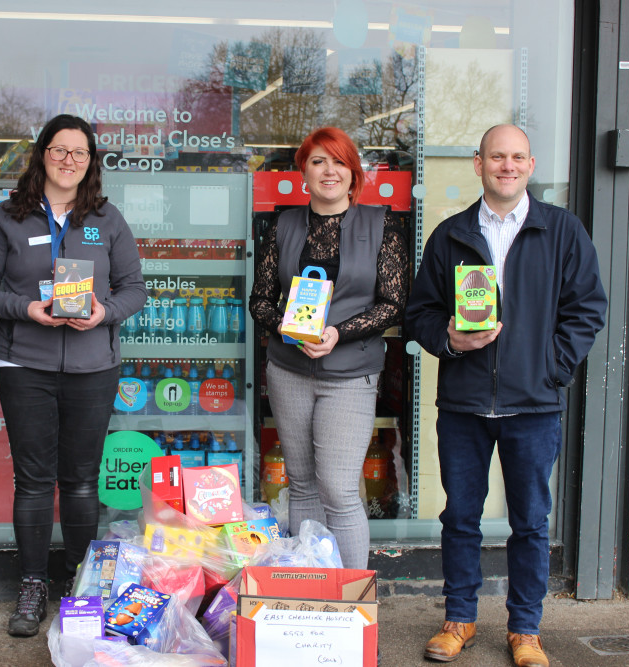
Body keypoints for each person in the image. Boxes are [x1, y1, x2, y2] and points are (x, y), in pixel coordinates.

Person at [405, 124, 607, 667]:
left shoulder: (562, 231)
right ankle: (459, 621)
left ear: (531, 164)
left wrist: (552, 369)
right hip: (465, 404)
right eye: (498, 156)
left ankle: (525, 629)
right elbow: (419, 313)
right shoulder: (449, 235)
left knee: (531, 522)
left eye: (517, 157)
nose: (507, 165)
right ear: (479, 164)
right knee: (460, 519)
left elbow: (587, 309)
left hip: (534, 406)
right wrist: (449, 337)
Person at [0, 114, 146, 638]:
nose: (69, 161)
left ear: (91, 162)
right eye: (60, 150)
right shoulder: (7, 217)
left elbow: (135, 287)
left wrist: (103, 312)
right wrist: (26, 308)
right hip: (25, 365)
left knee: (82, 481)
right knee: (35, 480)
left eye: (80, 153)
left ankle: (81, 584)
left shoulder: (107, 220)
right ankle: (32, 583)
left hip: (93, 365)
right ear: (43, 154)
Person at [248, 126, 408, 569]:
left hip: (350, 375)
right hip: (288, 370)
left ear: (353, 172)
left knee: (338, 489)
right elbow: (259, 299)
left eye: (338, 161)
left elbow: (394, 303)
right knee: (300, 484)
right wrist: (286, 329)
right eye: (318, 161)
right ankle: (310, 590)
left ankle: (356, 598)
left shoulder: (381, 225)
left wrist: (339, 333)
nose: (329, 170)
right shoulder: (283, 225)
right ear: (304, 172)